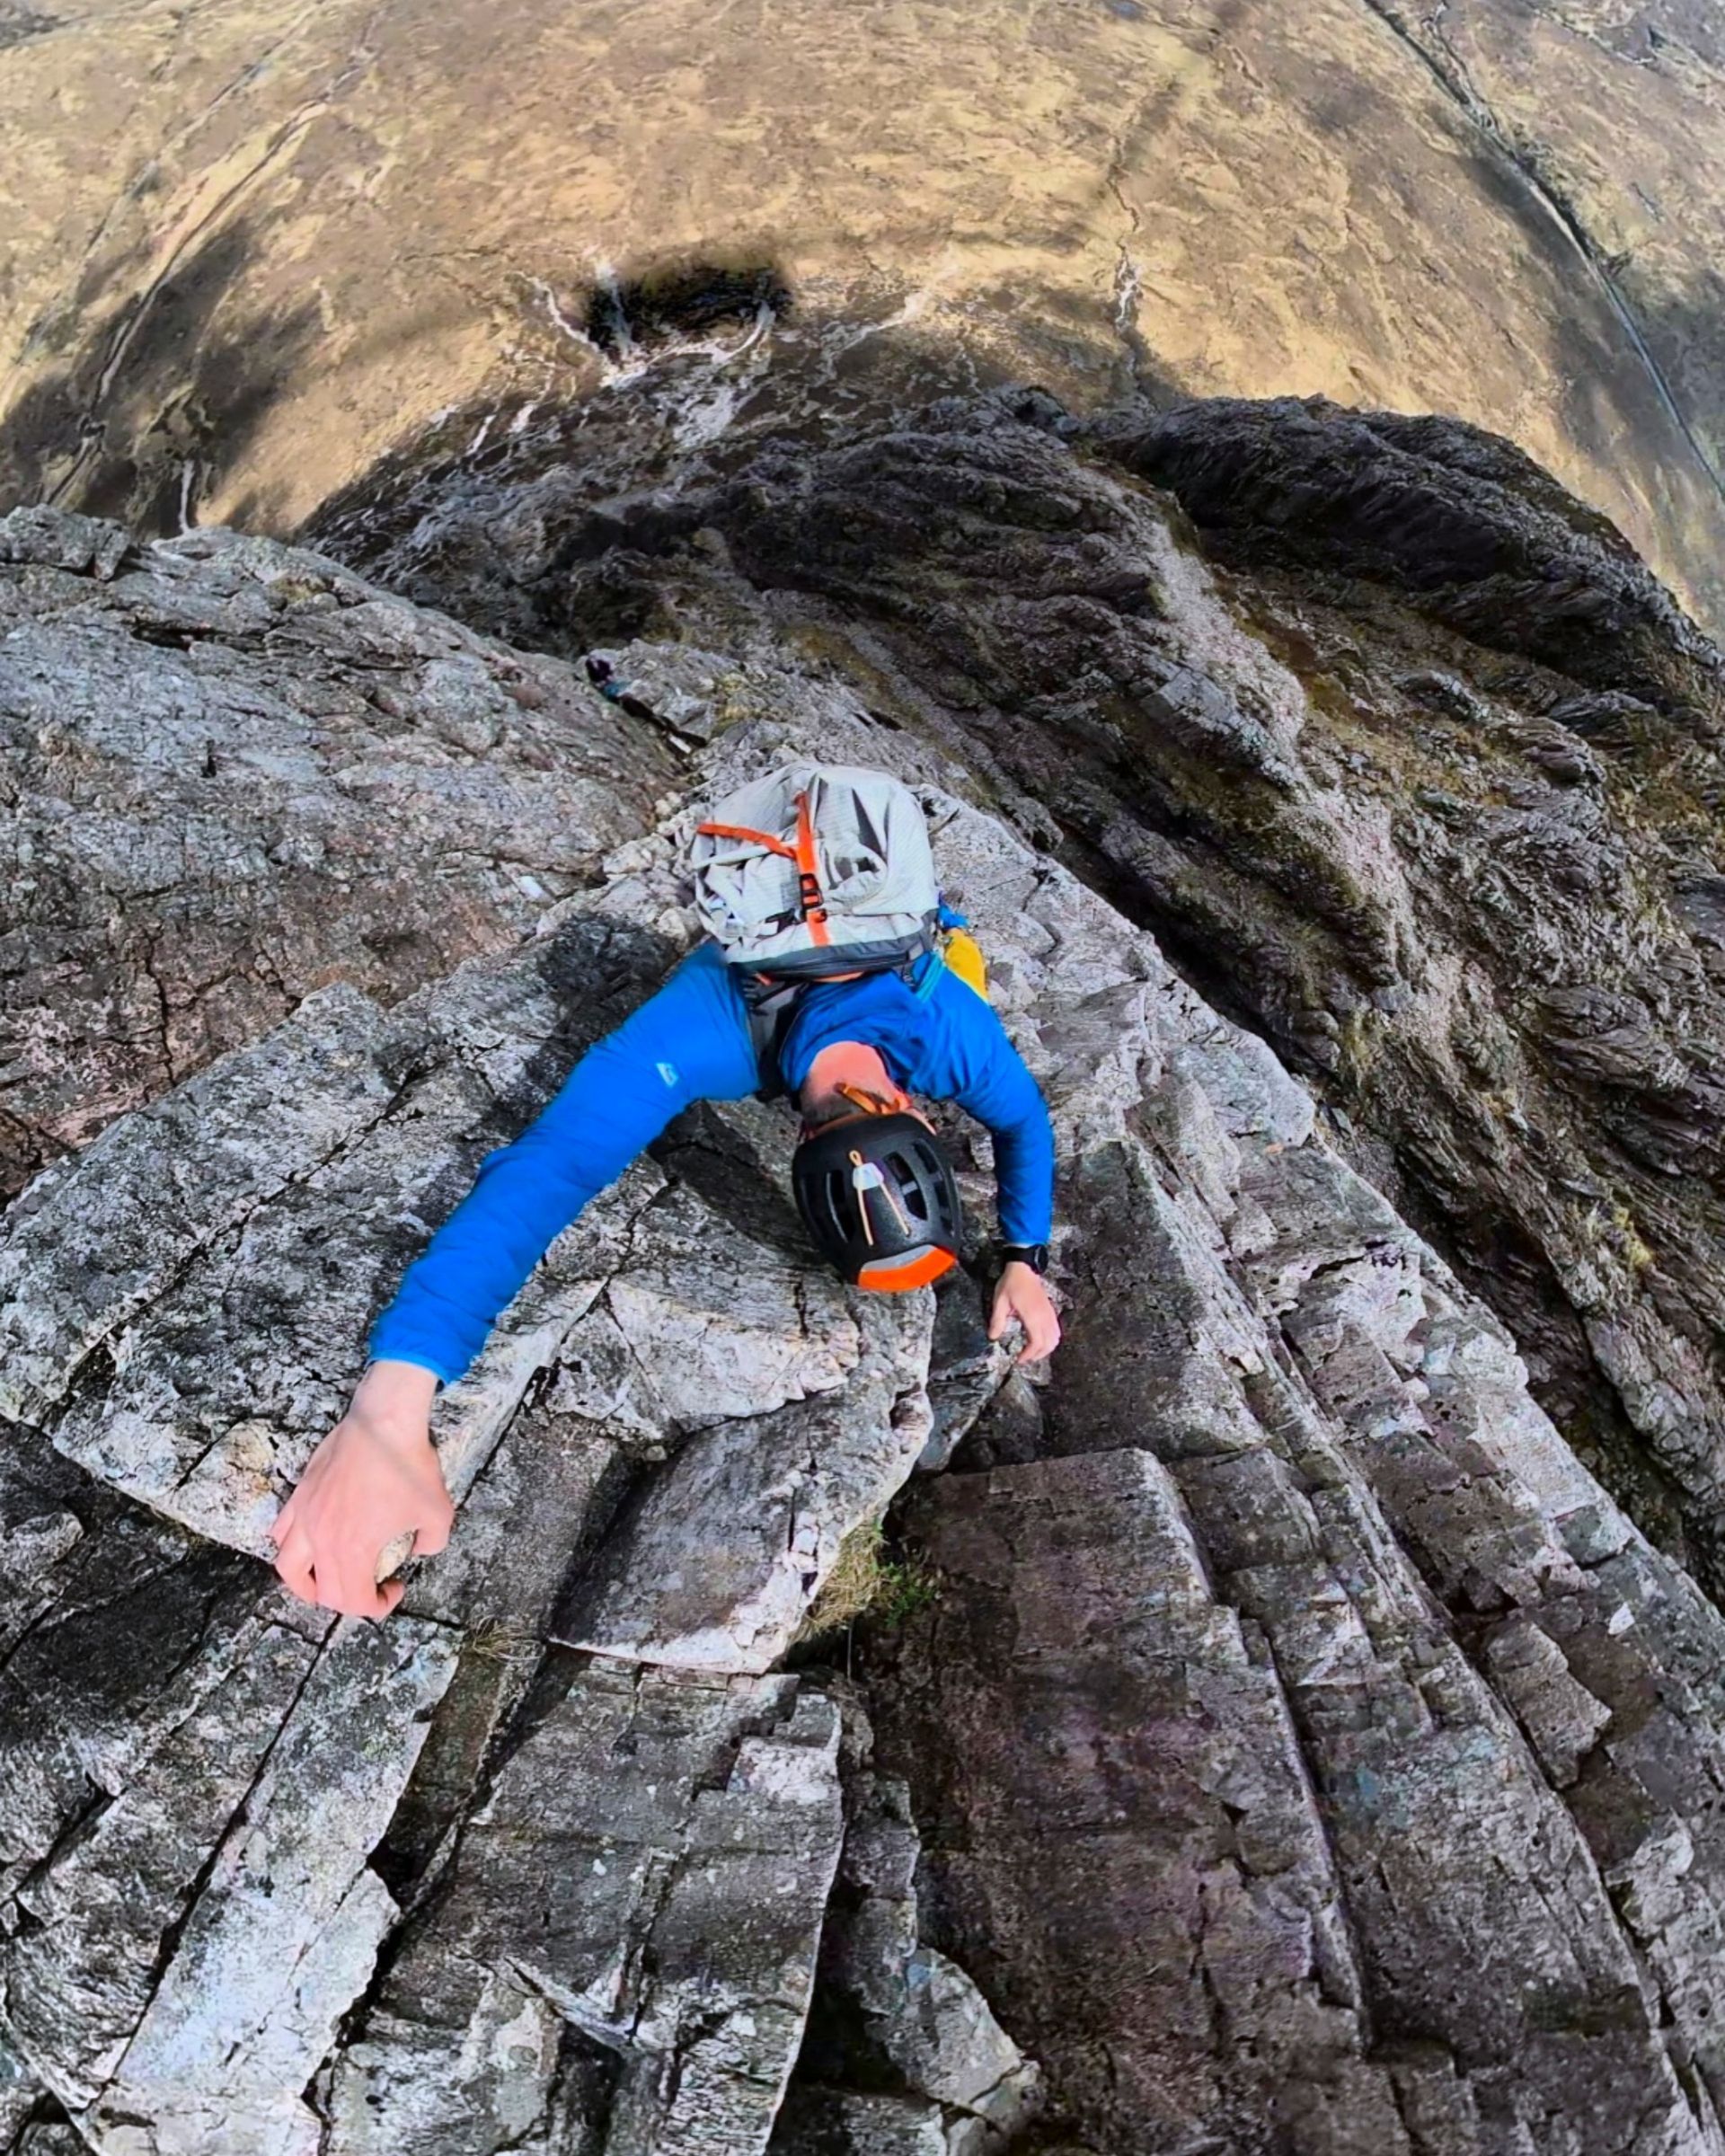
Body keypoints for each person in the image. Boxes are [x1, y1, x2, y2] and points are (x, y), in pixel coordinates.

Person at [270, 765, 1061, 1618]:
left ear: (918, 1116)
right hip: (851, 968)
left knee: (962, 963)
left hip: (887, 961)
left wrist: (1022, 1254)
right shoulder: (726, 1021)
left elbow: (551, 1172)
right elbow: (548, 1169)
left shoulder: (951, 1030)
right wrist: (383, 1417)